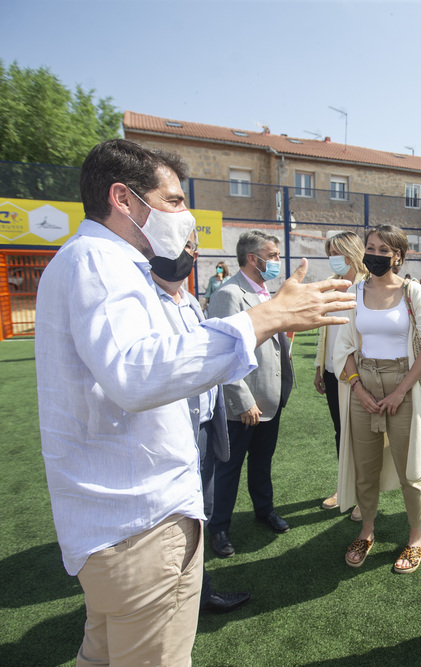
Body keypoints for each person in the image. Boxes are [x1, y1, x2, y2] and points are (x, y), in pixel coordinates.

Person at [35, 138, 354, 666]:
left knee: (105, 653)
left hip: (141, 513)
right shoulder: (97, 261)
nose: (186, 218)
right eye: (175, 201)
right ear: (124, 199)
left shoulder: (106, 264)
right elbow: (137, 373)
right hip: (139, 522)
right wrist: (265, 317)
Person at [149, 233, 250, 615]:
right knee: (174, 517)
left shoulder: (190, 302)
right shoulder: (143, 302)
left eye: (193, 247)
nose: (190, 254)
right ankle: (173, 596)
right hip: (172, 432)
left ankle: (197, 591)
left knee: (200, 510)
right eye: (183, 245)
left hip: (205, 425)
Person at [335, 225, 421, 574]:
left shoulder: (414, 291)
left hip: (402, 383)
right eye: (370, 247)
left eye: (383, 249)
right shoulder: (354, 291)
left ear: (397, 255)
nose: (374, 254)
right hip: (361, 383)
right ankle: (366, 531)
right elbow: (345, 346)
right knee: (365, 468)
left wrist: (400, 391)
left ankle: (415, 536)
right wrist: (359, 390)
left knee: (411, 469)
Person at [208, 230, 294, 558]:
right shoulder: (229, 294)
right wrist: (242, 399)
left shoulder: (263, 292)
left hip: (270, 398)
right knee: (229, 468)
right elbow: (222, 353)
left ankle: (264, 509)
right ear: (252, 259)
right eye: (271, 256)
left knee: (262, 461)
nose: (276, 262)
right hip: (245, 404)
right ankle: (218, 528)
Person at [314, 231, 368, 513]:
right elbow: (326, 331)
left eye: (334, 253)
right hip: (332, 372)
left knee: (359, 434)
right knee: (340, 431)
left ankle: (363, 494)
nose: (331, 259)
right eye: (329, 254)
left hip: (358, 373)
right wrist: (318, 367)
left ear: (349, 253)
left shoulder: (367, 285)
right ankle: (344, 487)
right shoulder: (332, 286)